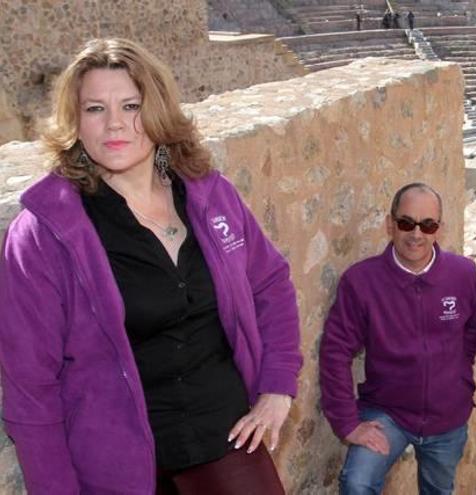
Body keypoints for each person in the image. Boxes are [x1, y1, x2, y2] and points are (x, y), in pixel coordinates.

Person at [0, 38, 302, 494]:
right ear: (75, 121)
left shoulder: (208, 194)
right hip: (117, 467)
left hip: (225, 438)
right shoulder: (45, 234)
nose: (114, 124)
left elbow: (271, 283)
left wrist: (278, 387)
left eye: (131, 105)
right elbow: (31, 387)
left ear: (158, 109)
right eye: (95, 109)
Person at [320, 183, 476, 495]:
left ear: (440, 229)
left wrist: (458, 378)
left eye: (428, 224)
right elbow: (335, 352)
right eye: (406, 222)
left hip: (447, 416)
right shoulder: (361, 281)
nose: (416, 234)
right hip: (387, 414)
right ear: (390, 224)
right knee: (357, 483)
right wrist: (348, 423)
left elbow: (474, 329)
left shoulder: (463, 274)